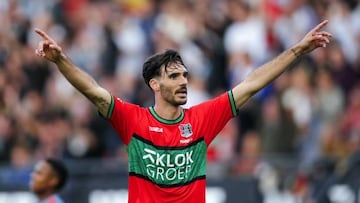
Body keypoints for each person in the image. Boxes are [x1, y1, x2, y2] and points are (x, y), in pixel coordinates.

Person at [34, 20, 332, 203]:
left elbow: (251, 84)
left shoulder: (201, 120)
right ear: (154, 84)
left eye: (185, 75)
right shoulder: (133, 120)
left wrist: (297, 50)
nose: (183, 82)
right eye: (174, 76)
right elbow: (93, 90)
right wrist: (61, 60)